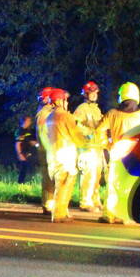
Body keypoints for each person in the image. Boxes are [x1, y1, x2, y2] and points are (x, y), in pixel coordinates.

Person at [99, 82, 140, 224]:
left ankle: (108, 215)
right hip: (137, 157)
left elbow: (98, 131)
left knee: (112, 184)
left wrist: (107, 145)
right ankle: (126, 217)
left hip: (117, 154)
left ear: (121, 97)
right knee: (131, 186)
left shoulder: (112, 114)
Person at [45, 88, 89, 223]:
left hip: (53, 154)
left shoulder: (49, 117)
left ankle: (62, 212)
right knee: (64, 184)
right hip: (65, 155)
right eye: (65, 100)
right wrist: (86, 142)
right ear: (59, 100)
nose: (67, 102)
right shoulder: (65, 116)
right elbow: (76, 136)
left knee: (59, 185)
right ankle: (59, 215)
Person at [72, 80, 106, 212]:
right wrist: (88, 133)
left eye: (95, 92)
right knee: (88, 175)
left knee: (97, 175)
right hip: (87, 147)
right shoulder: (82, 108)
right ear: (86, 94)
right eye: (91, 92)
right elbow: (75, 124)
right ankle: (85, 202)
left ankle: (95, 200)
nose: (94, 94)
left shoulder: (96, 109)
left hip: (97, 146)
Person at [34, 87, 56, 214]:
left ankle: (51, 203)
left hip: (49, 150)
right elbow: (43, 134)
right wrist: (50, 150)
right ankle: (48, 204)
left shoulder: (48, 112)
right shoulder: (44, 113)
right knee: (48, 178)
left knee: (51, 177)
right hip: (47, 151)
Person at [14, 115, 38, 184]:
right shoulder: (20, 131)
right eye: (29, 120)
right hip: (22, 153)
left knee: (29, 168)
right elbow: (17, 144)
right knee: (23, 169)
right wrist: (20, 154)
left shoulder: (29, 131)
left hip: (28, 152)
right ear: (25, 121)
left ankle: (27, 182)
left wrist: (36, 144)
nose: (30, 122)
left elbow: (30, 141)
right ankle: (20, 183)